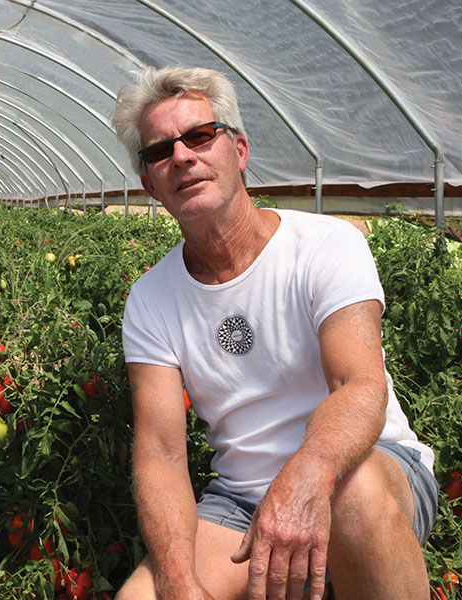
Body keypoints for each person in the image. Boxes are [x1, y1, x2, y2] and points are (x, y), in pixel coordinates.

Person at [110, 65, 438, 600]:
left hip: (365, 465)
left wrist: (308, 473)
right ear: (150, 184)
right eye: (160, 151)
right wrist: (176, 579)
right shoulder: (151, 298)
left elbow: (360, 386)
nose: (183, 157)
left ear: (238, 151)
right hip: (241, 502)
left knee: (349, 498)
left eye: (199, 135)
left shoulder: (326, 245)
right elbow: (160, 454)